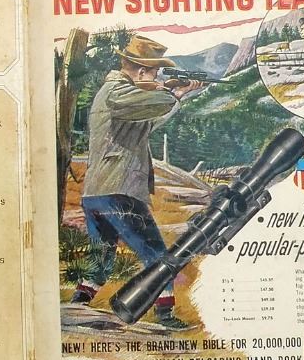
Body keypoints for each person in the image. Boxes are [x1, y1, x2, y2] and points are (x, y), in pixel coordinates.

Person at [72, 33, 205, 330]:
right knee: (158, 256)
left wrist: (179, 95)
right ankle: (165, 315)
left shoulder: (120, 95)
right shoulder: (117, 91)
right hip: (119, 190)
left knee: (101, 257)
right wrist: (170, 93)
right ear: (143, 71)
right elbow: (149, 105)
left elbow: (147, 122)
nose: (157, 77)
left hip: (98, 193)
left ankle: (78, 306)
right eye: (155, 72)